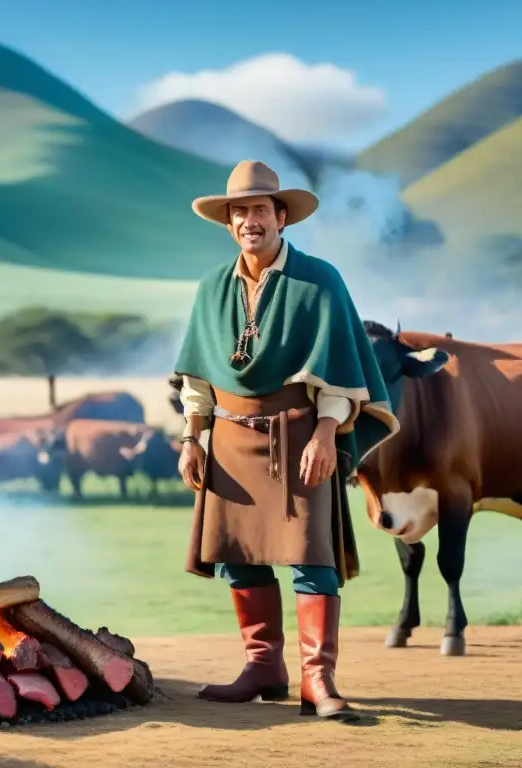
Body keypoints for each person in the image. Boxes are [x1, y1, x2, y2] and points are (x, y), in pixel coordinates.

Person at [172, 160, 399, 720]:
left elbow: (341, 367)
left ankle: (317, 681)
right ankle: (263, 667)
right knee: (241, 558)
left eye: (260, 209)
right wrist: (191, 438)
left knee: (311, 559)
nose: (250, 220)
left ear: (282, 217)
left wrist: (326, 431)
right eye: (239, 211)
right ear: (229, 223)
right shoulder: (210, 288)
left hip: (300, 437)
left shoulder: (320, 280)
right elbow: (198, 377)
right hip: (228, 438)